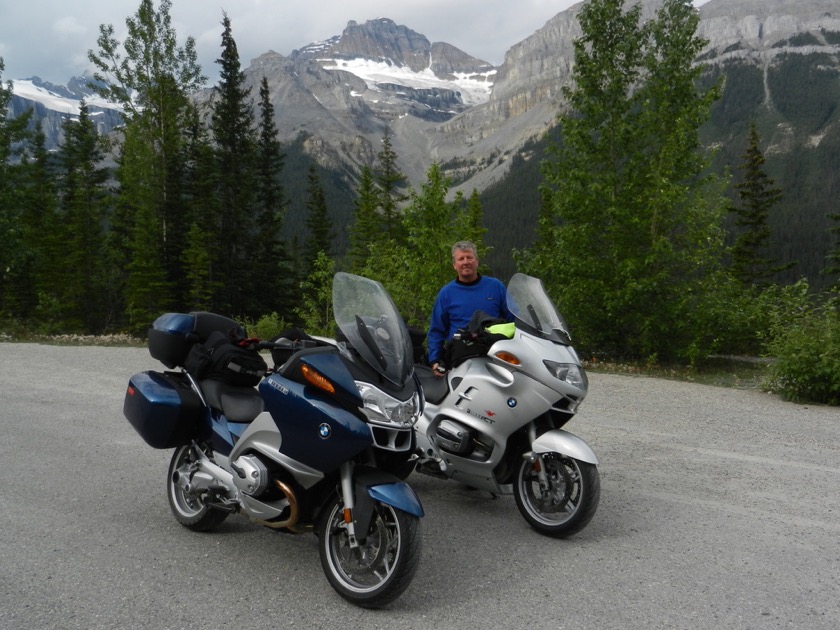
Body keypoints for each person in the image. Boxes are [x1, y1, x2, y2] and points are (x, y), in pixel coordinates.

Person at [427, 241, 512, 376]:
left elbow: (514, 318)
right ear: (455, 265)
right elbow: (437, 330)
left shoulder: (496, 287)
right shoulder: (446, 293)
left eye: (469, 257)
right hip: (460, 360)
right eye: (461, 259)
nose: (466, 262)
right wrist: (435, 359)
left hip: (495, 357)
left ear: (477, 261)